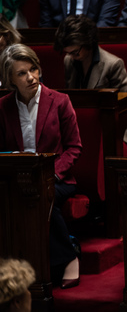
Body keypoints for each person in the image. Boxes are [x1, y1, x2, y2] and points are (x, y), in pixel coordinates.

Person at [0, 44, 82, 289]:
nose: (31, 77)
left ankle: (68, 258)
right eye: (22, 73)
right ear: (10, 80)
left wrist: (53, 174)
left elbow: (74, 148)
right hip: (18, 179)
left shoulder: (59, 101)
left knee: (43, 197)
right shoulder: (3, 107)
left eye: (33, 69)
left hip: (58, 180)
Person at [54, 14, 127, 146]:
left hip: (113, 130)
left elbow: (125, 110)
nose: (71, 57)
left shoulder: (113, 64)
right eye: (68, 53)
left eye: (75, 52)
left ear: (88, 42)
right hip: (81, 127)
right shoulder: (69, 61)